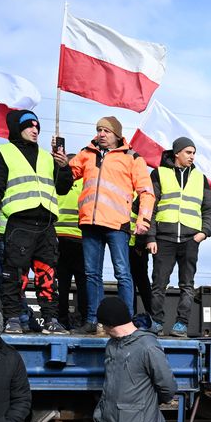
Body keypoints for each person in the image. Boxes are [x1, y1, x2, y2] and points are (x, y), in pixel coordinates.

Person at [0, 109, 72, 335]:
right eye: (29, 126)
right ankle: (12, 317)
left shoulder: (46, 156)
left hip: (46, 224)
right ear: (17, 129)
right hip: (18, 223)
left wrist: (63, 167)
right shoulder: (2, 153)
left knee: (48, 276)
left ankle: (51, 319)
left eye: (37, 127)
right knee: (14, 275)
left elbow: (62, 188)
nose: (34, 130)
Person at [69, 116, 155, 331]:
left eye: (106, 130)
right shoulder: (86, 154)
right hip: (90, 223)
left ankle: (126, 322)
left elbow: (146, 192)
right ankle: (93, 321)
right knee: (91, 274)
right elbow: (67, 175)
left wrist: (143, 219)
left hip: (117, 224)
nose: (101, 134)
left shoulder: (132, 157)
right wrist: (61, 163)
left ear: (117, 134)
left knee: (123, 273)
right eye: (99, 130)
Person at [149, 137, 211, 337]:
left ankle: (182, 324)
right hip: (163, 238)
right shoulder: (159, 174)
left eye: (194, 153)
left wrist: (203, 233)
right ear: (177, 153)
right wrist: (151, 237)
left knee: (187, 285)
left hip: (190, 239)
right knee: (159, 284)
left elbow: (209, 208)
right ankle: (157, 323)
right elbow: (150, 207)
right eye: (188, 152)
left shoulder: (200, 178)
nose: (192, 156)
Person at [56, 179, 88, 328]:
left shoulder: (57, 180)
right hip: (80, 238)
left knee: (61, 284)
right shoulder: (85, 182)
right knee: (83, 283)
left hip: (58, 237)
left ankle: (61, 320)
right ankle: (85, 319)